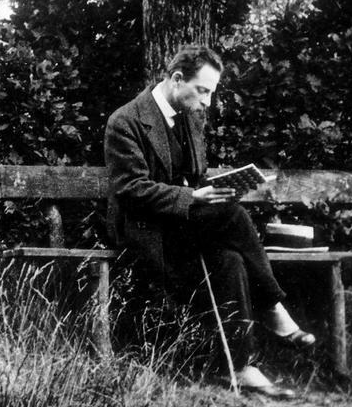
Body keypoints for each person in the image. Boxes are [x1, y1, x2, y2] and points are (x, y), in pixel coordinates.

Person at [104, 44, 314, 399]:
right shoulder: (125, 121)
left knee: (230, 260)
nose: (208, 101)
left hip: (184, 230)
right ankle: (273, 307)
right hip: (145, 233)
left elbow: (192, 178)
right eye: (203, 90)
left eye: (211, 93)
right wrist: (192, 198)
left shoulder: (190, 118)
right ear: (176, 79)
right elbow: (130, 190)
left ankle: (240, 367)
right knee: (233, 215)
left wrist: (213, 190)